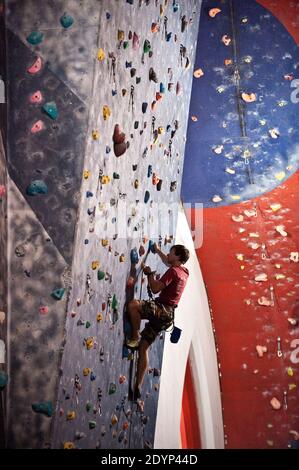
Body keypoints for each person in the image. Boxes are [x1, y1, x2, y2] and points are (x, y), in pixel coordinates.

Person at [126, 243, 190, 399]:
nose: (168, 254)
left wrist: (149, 274)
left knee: (133, 306)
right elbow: (169, 262)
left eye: (171, 252)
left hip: (161, 309)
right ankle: (138, 385)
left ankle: (134, 337)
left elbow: (154, 289)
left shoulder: (174, 272)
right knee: (144, 348)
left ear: (178, 257)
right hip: (168, 316)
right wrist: (157, 250)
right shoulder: (184, 272)